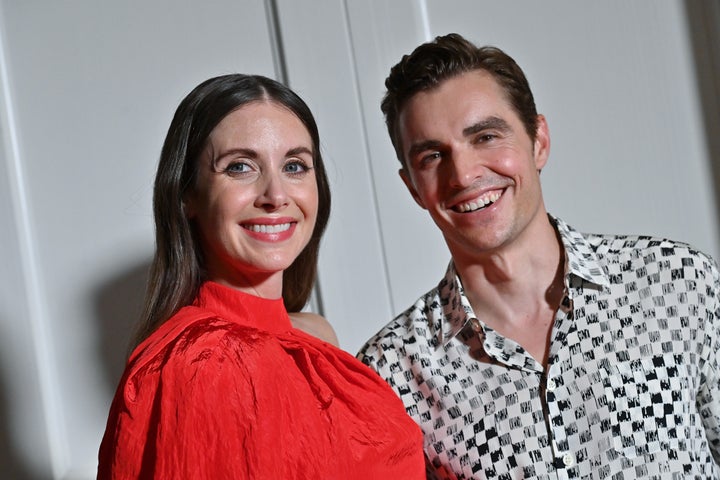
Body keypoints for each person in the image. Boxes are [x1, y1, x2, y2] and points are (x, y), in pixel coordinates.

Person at [358, 33, 720, 478]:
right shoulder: (390, 371)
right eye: (433, 156)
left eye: (486, 136)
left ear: (538, 140)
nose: (465, 174)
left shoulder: (673, 281)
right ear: (413, 187)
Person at [98, 73, 425, 479]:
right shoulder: (199, 363)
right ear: (187, 195)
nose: (275, 195)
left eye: (294, 166)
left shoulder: (317, 341)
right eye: (240, 167)